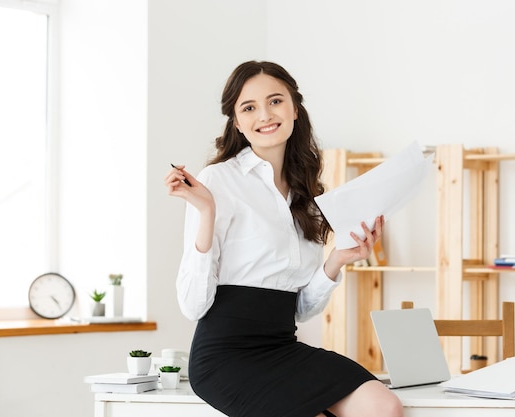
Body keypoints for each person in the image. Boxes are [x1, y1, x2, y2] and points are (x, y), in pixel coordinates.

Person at [165, 60, 403, 417]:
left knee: (384, 406)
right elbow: (192, 306)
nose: (265, 114)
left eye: (275, 101)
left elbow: (302, 309)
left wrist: (337, 259)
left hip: (282, 346)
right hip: (224, 358)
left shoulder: (305, 195)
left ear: (294, 108)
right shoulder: (217, 180)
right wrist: (207, 214)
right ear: (237, 122)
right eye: (249, 108)